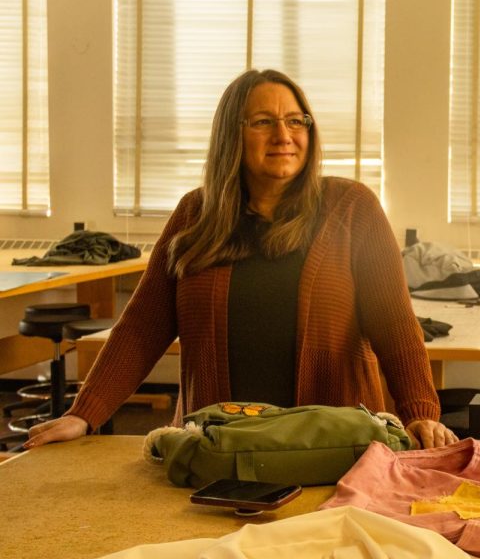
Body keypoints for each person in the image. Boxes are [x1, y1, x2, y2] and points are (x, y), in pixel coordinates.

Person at [25, 69, 457, 450]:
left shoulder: (351, 207)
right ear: (233, 133)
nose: (284, 135)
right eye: (264, 122)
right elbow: (142, 327)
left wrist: (421, 411)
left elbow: (395, 324)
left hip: (331, 450)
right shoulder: (195, 214)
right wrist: (85, 413)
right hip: (216, 448)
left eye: (295, 121)